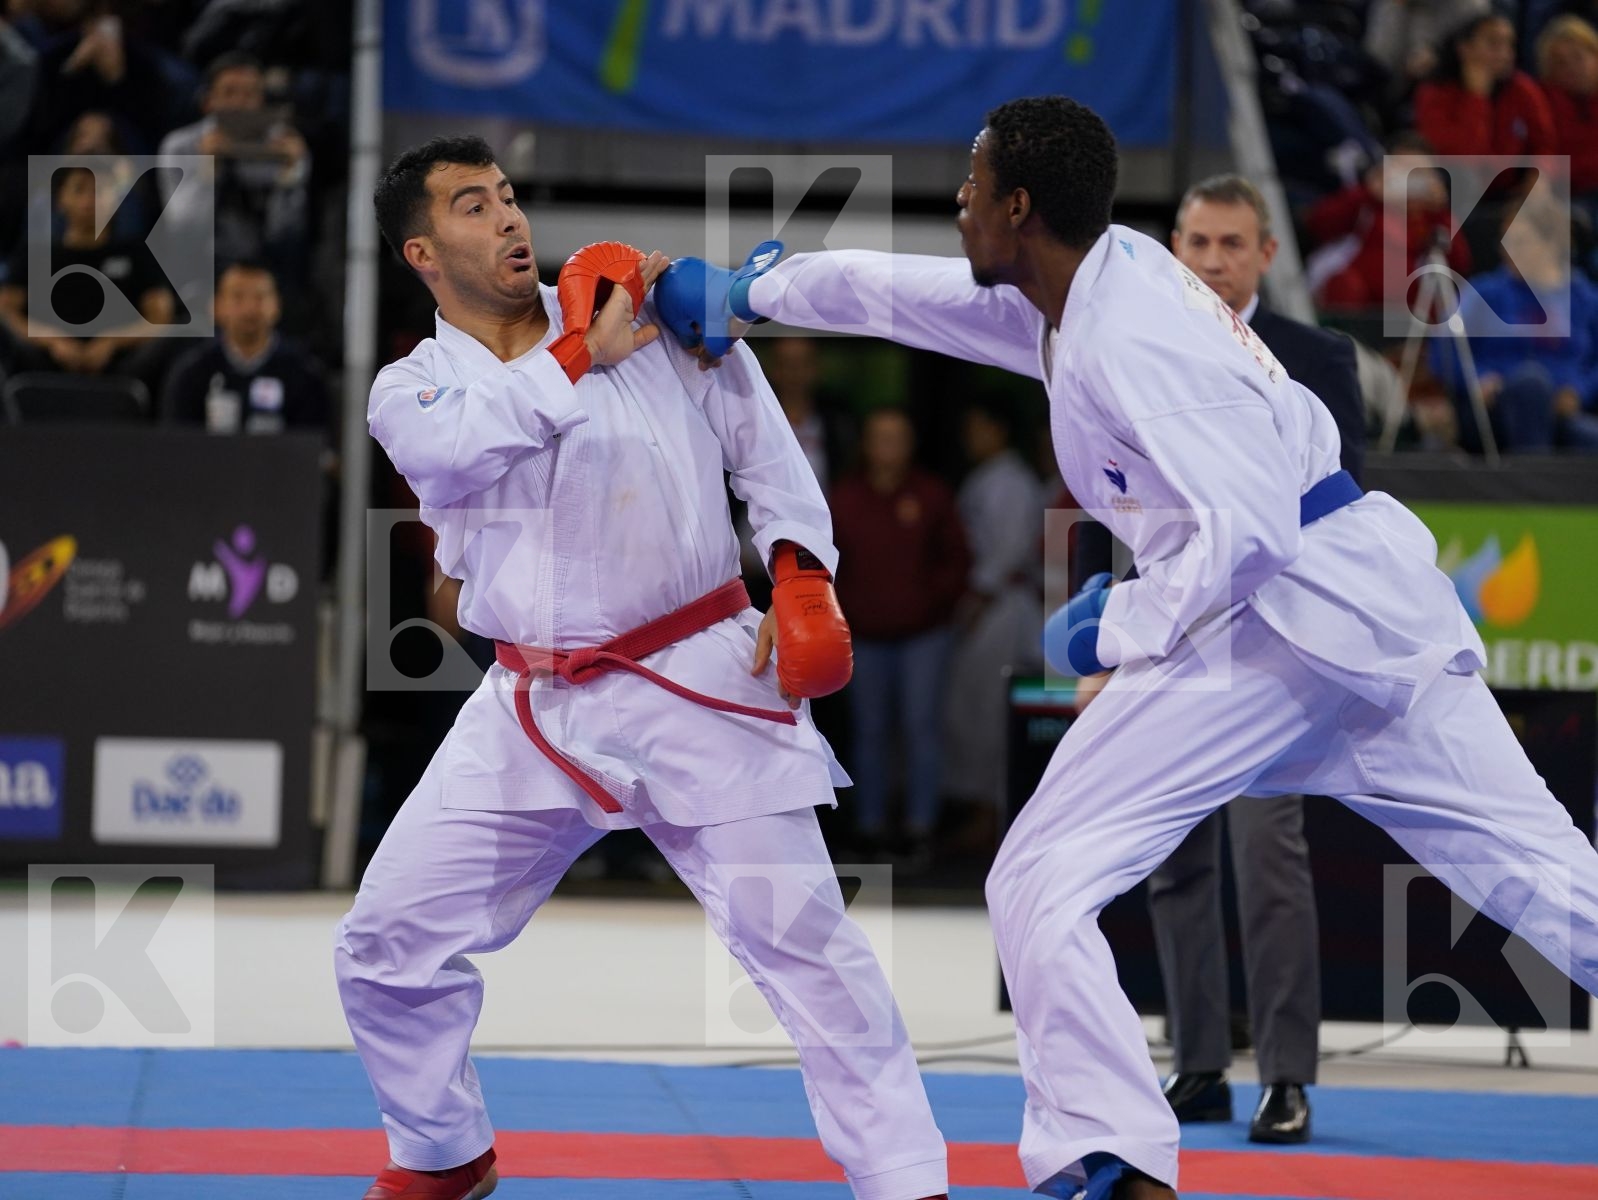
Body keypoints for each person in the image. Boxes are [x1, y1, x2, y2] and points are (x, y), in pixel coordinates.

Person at [656, 95, 1598, 1200]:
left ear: (1016, 205)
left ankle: (1114, 1155)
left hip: (1280, 625)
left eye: (971, 179)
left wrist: (1126, 621)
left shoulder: (1131, 331)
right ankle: (1110, 1148)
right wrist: (751, 293)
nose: (956, 199)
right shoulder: (1081, 286)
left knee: (1041, 876)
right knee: (1544, 879)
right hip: (1375, 622)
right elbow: (904, 296)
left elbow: (1246, 532)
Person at [335, 136, 949, 1200]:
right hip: (531, 705)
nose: (511, 219)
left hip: (694, 675)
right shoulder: (414, 386)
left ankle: (904, 1178)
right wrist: (578, 353)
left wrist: (801, 572)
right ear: (424, 252)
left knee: (805, 947)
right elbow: (455, 453)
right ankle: (442, 1152)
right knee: (383, 944)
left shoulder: (649, 315)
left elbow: (765, 449)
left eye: (511, 196)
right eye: (476, 207)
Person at [1143, 174, 1366, 1145]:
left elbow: (1345, 514)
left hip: (1275, 647)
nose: (1210, 261)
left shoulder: (1316, 358)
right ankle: (1196, 1063)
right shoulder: (1137, 351)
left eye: (1229, 244)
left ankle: (1284, 1075)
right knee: (1172, 861)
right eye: (1195, 242)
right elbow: (1103, 492)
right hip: (1170, 637)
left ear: (1265, 254)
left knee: (1266, 861)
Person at [829, 407, 970, 858]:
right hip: (863, 635)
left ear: (910, 445)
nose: (888, 447)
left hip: (923, 635)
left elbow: (957, 559)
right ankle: (870, 825)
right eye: (880, 437)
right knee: (869, 731)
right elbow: (825, 564)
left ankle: (919, 827)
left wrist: (933, 603)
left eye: (897, 438)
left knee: (921, 730)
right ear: (866, 445)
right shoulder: (844, 498)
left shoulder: (931, 495)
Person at [1429, 190, 1598, 452]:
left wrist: (1579, 390)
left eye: (1520, 242)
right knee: (1531, 382)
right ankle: (1533, 480)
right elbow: (1443, 350)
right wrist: (1477, 378)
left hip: (1563, 414)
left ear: (1552, 245)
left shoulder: (1584, 298)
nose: (1508, 252)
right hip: (1496, 414)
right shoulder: (1483, 293)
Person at [0, 163, 176, 389]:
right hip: (42, 362)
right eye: (79, 189)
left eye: (100, 190)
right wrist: (52, 341)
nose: (90, 199)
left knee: (178, 336)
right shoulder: (35, 253)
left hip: (123, 366)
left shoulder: (137, 253)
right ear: (60, 200)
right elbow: (6, 311)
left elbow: (161, 319)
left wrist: (112, 341)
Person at [161, 260, 328, 433]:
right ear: (217, 307)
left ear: (277, 306)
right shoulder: (191, 373)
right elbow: (177, 446)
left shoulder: (304, 373)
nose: (249, 309)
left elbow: (312, 447)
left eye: (260, 297)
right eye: (237, 297)